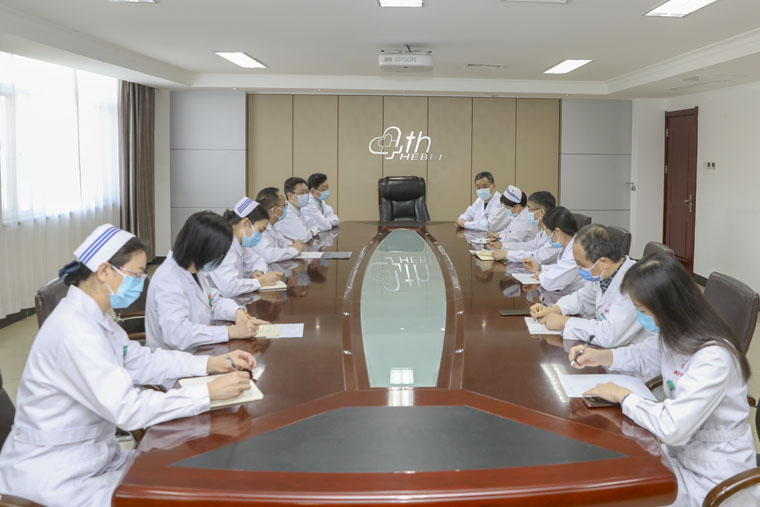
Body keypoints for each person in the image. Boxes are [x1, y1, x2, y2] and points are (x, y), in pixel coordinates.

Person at [0, 224, 255, 507]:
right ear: (104, 271)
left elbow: (143, 359)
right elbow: (128, 409)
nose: (142, 282)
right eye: (136, 274)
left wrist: (210, 362)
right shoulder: (75, 332)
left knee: (180, 477)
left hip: (94, 459)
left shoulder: (97, 320)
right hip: (58, 477)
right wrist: (207, 393)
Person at [569, 254, 755, 506]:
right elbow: (643, 355)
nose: (640, 317)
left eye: (642, 311)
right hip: (681, 456)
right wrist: (601, 356)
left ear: (667, 307)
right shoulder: (679, 331)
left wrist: (624, 397)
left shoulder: (714, 357)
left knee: (617, 495)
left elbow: (673, 428)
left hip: (713, 478)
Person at [146, 211, 266, 351]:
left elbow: (212, 300)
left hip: (200, 350)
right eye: (218, 253)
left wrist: (236, 312)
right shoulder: (168, 279)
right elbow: (177, 335)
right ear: (203, 249)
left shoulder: (196, 271)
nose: (220, 258)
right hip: (174, 359)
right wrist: (230, 332)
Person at [529, 224, 652, 348]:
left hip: (635, 352)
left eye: (581, 265)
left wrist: (565, 322)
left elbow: (609, 335)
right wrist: (555, 309)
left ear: (603, 262)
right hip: (612, 351)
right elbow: (582, 298)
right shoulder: (605, 274)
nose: (579, 269)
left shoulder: (634, 284)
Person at [209, 196, 283, 298]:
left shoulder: (240, 243)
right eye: (260, 230)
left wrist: (258, 271)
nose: (260, 236)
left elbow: (259, 260)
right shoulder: (222, 245)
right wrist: (259, 281)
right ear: (245, 223)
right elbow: (229, 288)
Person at [522, 206, 585, 293]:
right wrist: (540, 268)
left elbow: (552, 282)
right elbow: (561, 267)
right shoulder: (569, 245)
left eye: (547, 233)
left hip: (578, 296)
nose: (547, 237)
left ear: (557, 232)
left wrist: (541, 275)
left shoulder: (576, 251)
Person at [489, 191, 557, 262]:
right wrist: (503, 246)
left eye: (529, 208)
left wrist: (507, 254)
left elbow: (539, 257)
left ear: (541, 212)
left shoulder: (556, 233)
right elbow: (530, 246)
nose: (527, 211)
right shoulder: (543, 231)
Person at [252, 187, 305, 263]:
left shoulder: (272, 225)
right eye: (284, 205)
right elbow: (269, 255)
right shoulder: (257, 228)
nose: (286, 208)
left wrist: (294, 244)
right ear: (274, 210)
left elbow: (282, 242)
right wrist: (294, 250)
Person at [486, 185, 536, 250]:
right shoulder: (518, 215)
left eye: (506, 207)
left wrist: (497, 240)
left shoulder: (525, 220)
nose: (505, 209)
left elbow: (513, 240)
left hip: (522, 252)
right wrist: (497, 235)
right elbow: (508, 231)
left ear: (517, 207)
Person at [275, 176, 320, 242]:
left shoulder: (298, 210)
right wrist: (309, 233)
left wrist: (310, 233)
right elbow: (304, 237)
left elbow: (316, 227)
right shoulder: (286, 213)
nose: (306, 195)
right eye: (302, 193)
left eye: (307, 192)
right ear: (290, 195)